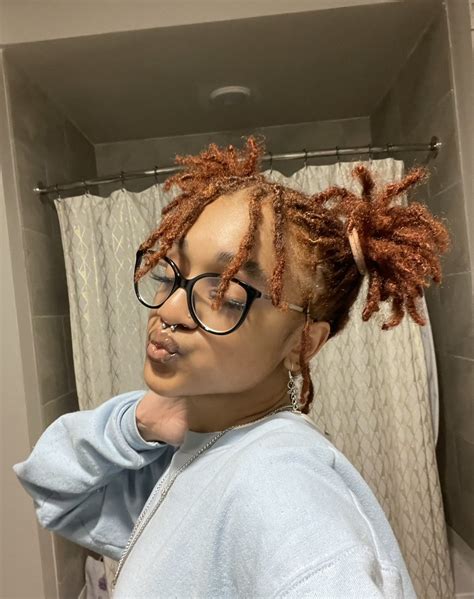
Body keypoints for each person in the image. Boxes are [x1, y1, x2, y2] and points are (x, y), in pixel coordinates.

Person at [13, 136, 450, 598]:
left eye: (224, 294)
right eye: (168, 273)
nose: (169, 309)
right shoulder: (202, 448)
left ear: (303, 343)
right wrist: (138, 422)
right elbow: (55, 488)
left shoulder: (282, 482)